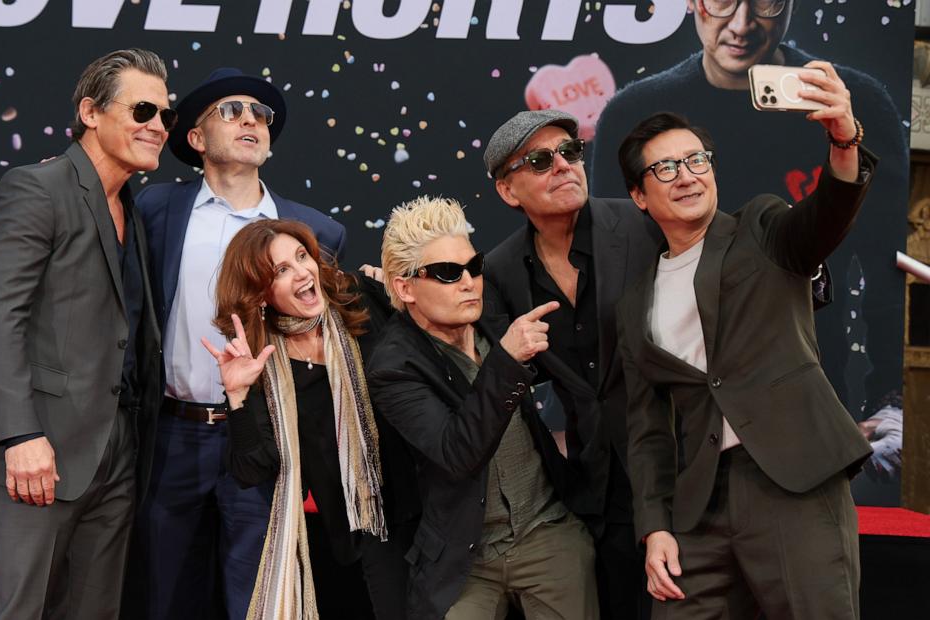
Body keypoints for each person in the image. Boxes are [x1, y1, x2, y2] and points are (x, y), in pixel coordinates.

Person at [615, 62, 874, 617]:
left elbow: (827, 215)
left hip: (793, 480)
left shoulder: (760, 228)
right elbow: (646, 430)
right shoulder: (635, 300)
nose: (686, 176)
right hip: (699, 505)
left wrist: (843, 137)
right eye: (664, 169)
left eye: (695, 161)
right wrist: (654, 528)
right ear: (638, 195)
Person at [590, 0, 908, 416]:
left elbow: (888, 263)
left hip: (806, 393)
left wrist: (892, 401)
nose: (741, 25)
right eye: (722, 2)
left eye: (765, 4)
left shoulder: (851, 104)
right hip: (676, 396)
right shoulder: (633, 113)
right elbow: (612, 270)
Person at [0, 48, 169, 619]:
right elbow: (1, 320)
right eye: (144, 109)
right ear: (91, 112)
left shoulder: (136, 211)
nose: (158, 127)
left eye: (166, 116)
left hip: (116, 448)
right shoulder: (36, 188)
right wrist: (20, 437)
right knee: (19, 610)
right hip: (37, 446)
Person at [129, 68, 346, 619]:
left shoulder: (315, 232)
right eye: (231, 110)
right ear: (196, 140)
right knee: (167, 597)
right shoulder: (155, 212)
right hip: (173, 435)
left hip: (266, 440)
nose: (250, 119)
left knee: (257, 599)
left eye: (260, 114)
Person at [368, 196, 599, 620]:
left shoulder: (493, 309)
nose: (469, 282)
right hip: (463, 555)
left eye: (473, 267)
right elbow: (458, 453)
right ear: (404, 287)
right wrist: (507, 362)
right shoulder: (393, 366)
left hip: (545, 527)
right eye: (446, 273)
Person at [483, 109, 663, 619]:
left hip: (675, 467)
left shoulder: (640, 223)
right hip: (595, 484)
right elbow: (497, 378)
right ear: (508, 191)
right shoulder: (499, 271)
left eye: (570, 151)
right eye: (540, 160)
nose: (562, 166)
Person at [200, 219, 417, 619]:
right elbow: (252, 470)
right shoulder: (261, 364)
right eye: (281, 270)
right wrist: (237, 397)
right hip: (347, 544)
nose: (302, 272)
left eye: (302, 257)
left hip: (421, 518)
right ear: (260, 294)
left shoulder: (362, 301)